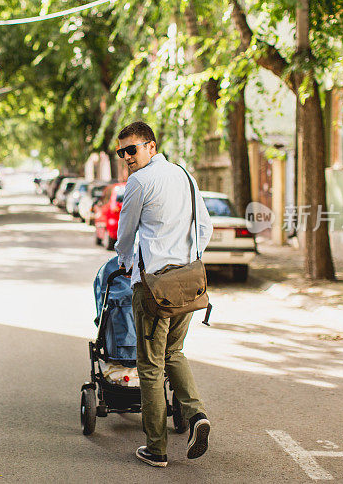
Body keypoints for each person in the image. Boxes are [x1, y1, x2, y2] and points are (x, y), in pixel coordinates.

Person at [114, 120, 213, 468]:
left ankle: (156, 449)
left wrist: (125, 261)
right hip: (187, 282)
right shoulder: (184, 175)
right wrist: (188, 258)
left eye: (132, 149)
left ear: (151, 146)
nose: (127, 156)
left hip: (154, 286)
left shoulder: (139, 181)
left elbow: (126, 233)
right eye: (121, 151)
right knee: (174, 351)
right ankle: (196, 414)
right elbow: (205, 226)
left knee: (151, 366)